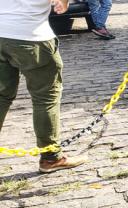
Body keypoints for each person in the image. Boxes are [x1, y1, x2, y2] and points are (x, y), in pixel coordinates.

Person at [0, 0, 88, 173]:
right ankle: (51, 157)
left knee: (1, 97)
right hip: (31, 36)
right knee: (46, 98)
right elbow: (61, 5)